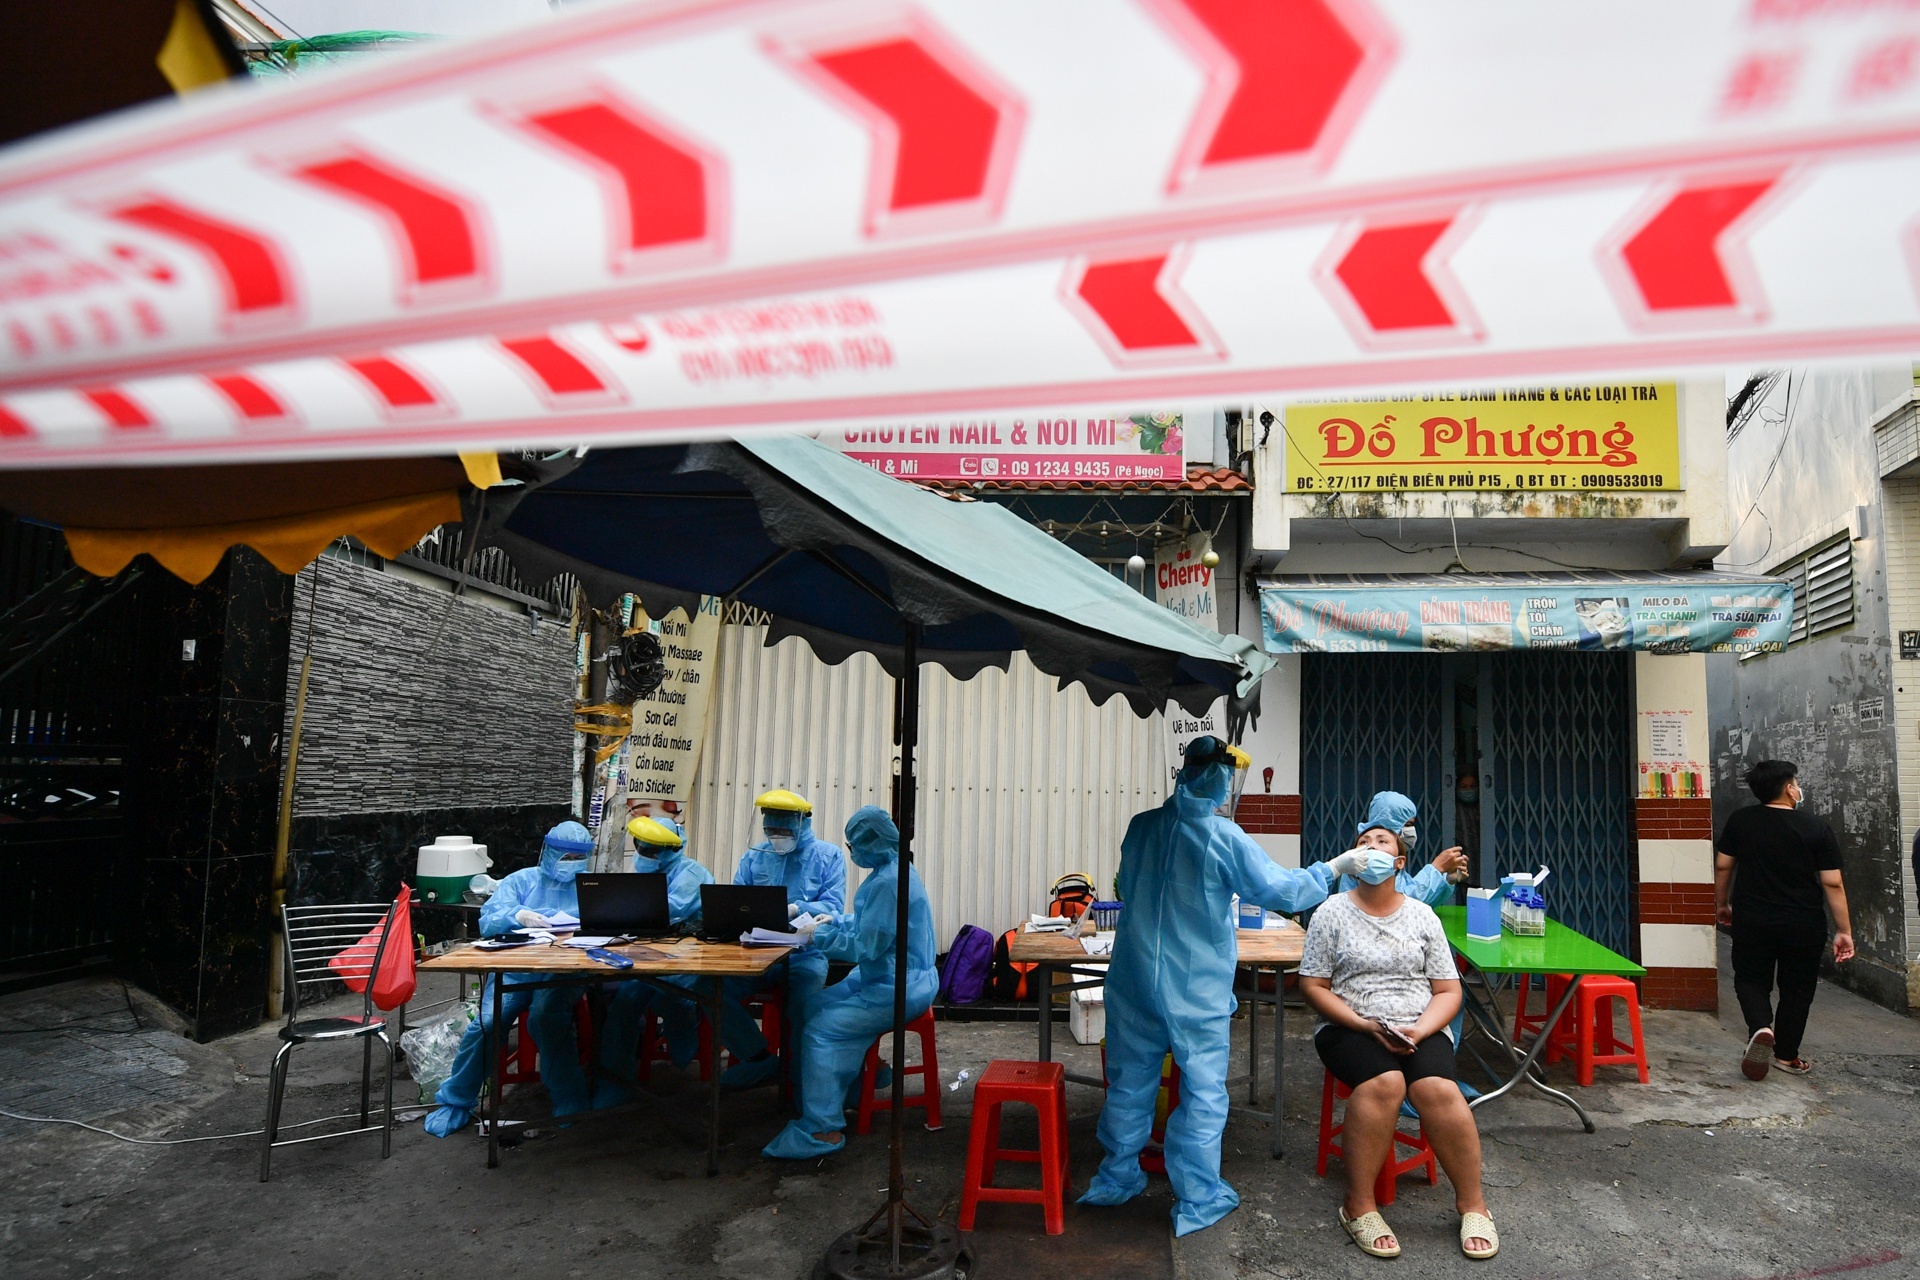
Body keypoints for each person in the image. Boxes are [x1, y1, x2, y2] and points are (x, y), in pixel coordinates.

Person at [1080, 736, 1339, 1236]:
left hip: (1134, 977)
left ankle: (1117, 1175)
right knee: (1201, 1091)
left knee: (1130, 1081)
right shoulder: (1225, 837)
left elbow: (1128, 888)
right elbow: (1281, 891)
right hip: (1194, 988)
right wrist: (1332, 869)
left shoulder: (1142, 827)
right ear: (1220, 779)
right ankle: (1197, 1194)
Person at [1299, 823, 1498, 1261]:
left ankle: (1473, 1204)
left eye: (1381, 842)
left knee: (1437, 1088)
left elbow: (1448, 991)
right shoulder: (1330, 911)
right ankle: (1358, 1205)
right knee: (1385, 1083)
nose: (1370, 848)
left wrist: (1423, 1030)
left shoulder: (1421, 915)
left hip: (1418, 1024)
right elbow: (1313, 986)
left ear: (1400, 861)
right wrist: (1364, 1024)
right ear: (1352, 861)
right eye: (1362, 844)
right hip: (1350, 1025)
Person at [763, 805, 936, 1158]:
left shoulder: (890, 881)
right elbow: (868, 924)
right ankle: (849, 1088)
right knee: (810, 1005)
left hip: (899, 986)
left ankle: (823, 1127)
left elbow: (867, 945)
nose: (852, 852)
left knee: (821, 1031)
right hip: (883, 976)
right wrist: (833, 921)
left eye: (854, 845)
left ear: (873, 841)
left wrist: (817, 936)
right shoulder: (888, 871)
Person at [423, 820, 596, 1137]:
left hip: (565, 971)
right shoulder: (521, 881)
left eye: (578, 857)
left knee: (546, 1017)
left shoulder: (591, 887)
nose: (570, 864)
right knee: (488, 1023)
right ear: (547, 851)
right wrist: (517, 915)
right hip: (515, 970)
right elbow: (489, 919)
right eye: (564, 856)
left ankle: (568, 1096)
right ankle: (455, 1101)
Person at [1716, 759, 1855, 1080]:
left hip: (1753, 918)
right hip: (1803, 923)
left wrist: (1722, 904)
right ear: (1790, 789)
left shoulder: (1742, 821)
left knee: (1750, 978)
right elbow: (1832, 882)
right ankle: (1787, 1056)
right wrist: (1844, 930)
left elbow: (1724, 866)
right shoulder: (1816, 827)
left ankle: (1761, 1028)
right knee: (1797, 988)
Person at [716, 789, 848, 1089]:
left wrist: (798, 908)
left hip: (804, 956)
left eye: (782, 830)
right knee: (710, 989)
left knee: (803, 1008)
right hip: (755, 952)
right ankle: (759, 1058)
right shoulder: (755, 856)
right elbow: (737, 899)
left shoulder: (828, 856)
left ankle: (799, 1080)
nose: (776, 836)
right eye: (770, 830)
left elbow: (833, 907)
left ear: (802, 825)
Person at [594, 815, 713, 1105]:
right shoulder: (644, 874)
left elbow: (667, 909)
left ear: (671, 849)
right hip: (644, 956)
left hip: (688, 958)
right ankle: (616, 1079)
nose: (644, 855)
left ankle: (684, 1045)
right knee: (625, 1000)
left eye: (651, 850)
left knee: (669, 995)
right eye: (641, 847)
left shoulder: (690, 874)